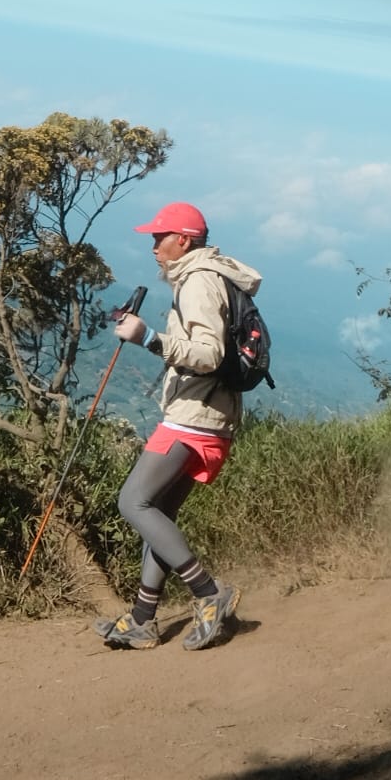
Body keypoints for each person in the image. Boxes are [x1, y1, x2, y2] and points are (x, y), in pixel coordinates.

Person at [97, 201, 262, 651]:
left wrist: (148, 337)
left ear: (183, 241)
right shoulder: (212, 277)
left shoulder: (199, 283)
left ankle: (210, 593)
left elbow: (208, 355)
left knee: (132, 502)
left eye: (159, 238)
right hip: (211, 415)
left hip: (195, 416)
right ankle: (143, 619)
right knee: (159, 512)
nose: (153, 247)